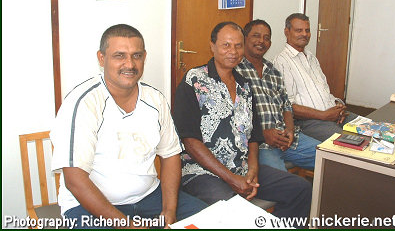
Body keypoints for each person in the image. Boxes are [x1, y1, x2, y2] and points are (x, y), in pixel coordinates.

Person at [50, 24, 207, 229]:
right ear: (101, 58)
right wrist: (126, 226)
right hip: (88, 206)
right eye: (119, 56)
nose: (129, 64)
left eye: (137, 55)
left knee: (209, 219)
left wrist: (169, 211)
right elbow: (74, 180)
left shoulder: (155, 99)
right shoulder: (84, 104)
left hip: (150, 197)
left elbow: (170, 155)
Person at [173, 21, 312, 224]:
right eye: (226, 45)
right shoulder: (194, 80)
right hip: (201, 172)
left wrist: (253, 171)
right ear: (212, 46)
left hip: (241, 168)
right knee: (233, 207)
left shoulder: (245, 86)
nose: (233, 51)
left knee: (300, 189)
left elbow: (254, 137)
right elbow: (190, 141)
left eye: (238, 45)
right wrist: (231, 178)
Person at [236, 19, 320, 171]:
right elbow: (232, 116)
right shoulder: (235, 71)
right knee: (280, 184)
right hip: (259, 145)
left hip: (288, 140)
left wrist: (289, 129)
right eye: (256, 36)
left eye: (267, 38)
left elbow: (287, 105)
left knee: (331, 159)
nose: (261, 41)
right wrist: (262, 134)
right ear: (244, 38)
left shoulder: (273, 71)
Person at [273, 13, 357, 142]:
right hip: (309, 122)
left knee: (371, 129)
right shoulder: (282, 61)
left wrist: (338, 105)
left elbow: (323, 90)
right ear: (286, 32)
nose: (304, 34)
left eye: (307, 30)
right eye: (299, 30)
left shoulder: (311, 57)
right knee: (349, 142)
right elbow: (287, 106)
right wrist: (324, 115)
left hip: (333, 114)